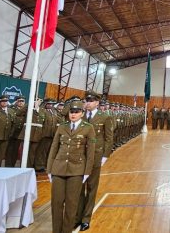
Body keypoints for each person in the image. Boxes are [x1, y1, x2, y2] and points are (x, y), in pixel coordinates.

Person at [47, 101, 95, 233]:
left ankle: (67, 231)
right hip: (58, 168)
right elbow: (54, 148)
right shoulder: (62, 127)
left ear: (82, 113)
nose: (73, 115)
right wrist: (49, 169)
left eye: (77, 112)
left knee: (71, 204)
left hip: (77, 170)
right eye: (71, 112)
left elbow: (90, 152)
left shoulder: (88, 128)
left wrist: (87, 172)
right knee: (56, 203)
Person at [76, 91, 114, 231]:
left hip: (96, 157)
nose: (88, 103)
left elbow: (109, 138)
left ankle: (86, 218)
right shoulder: (80, 115)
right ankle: (77, 217)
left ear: (97, 102)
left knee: (91, 188)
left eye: (91, 101)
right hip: (80, 156)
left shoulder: (105, 117)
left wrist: (105, 156)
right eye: (86, 100)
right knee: (79, 187)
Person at [17, 98, 44, 168]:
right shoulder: (28, 109)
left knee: (32, 153)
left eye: (39, 101)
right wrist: (29, 104)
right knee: (24, 152)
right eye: (36, 100)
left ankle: (29, 168)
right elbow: (18, 113)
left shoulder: (42, 110)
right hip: (27, 134)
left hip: (37, 135)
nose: (37, 102)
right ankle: (22, 168)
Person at [5, 96, 27, 167]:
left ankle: (13, 165)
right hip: (12, 132)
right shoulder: (12, 109)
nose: (21, 102)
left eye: (22, 101)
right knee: (10, 150)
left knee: (16, 150)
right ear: (16, 101)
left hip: (21, 132)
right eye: (19, 101)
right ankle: (8, 166)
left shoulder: (27, 110)